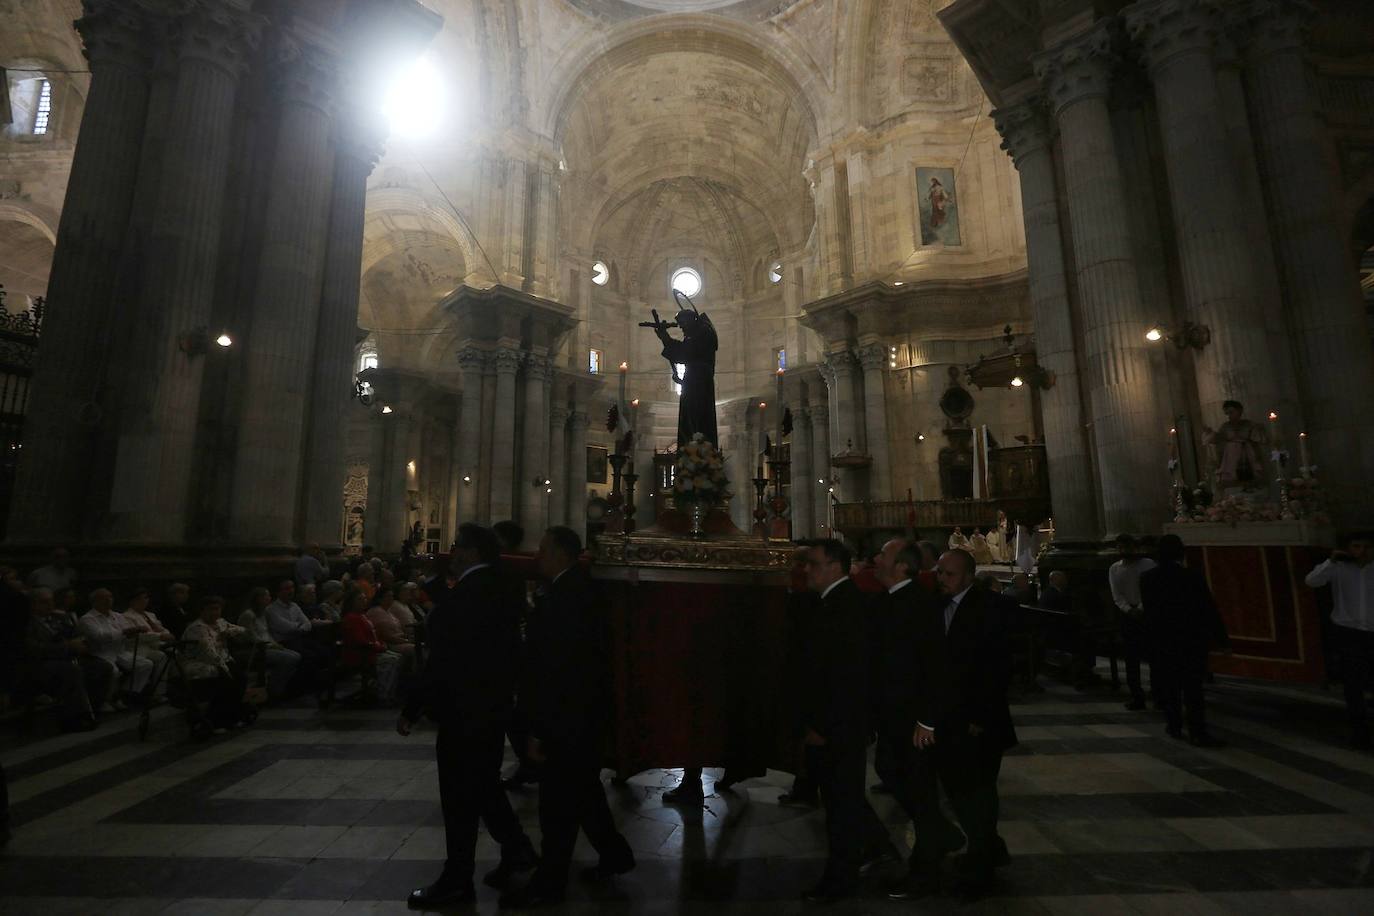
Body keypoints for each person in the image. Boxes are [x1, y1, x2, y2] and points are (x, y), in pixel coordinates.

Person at [399, 524, 537, 908]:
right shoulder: (501, 586)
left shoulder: (468, 596)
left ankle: (457, 879)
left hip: (464, 710)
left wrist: (413, 707)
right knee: (483, 784)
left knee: (459, 797)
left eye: (458, 547)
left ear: (472, 552)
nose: (453, 553)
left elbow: (443, 660)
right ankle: (517, 848)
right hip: (491, 708)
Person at [500, 527, 634, 907]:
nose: (537, 557)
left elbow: (558, 670)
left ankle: (550, 883)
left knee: (556, 808)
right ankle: (614, 854)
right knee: (585, 793)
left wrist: (540, 729)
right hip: (582, 718)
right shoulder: (578, 589)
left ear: (560, 553)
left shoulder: (566, 597)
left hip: (567, 720)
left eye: (542, 550)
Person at [901, 549, 1016, 899]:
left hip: (980, 724)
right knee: (964, 793)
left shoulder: (991, 608)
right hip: (951, 723)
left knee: (977, 796)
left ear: (968, 576)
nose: (942, 580)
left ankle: (981, 873)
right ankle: (989, 851)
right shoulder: (938, 605)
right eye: (939, 573)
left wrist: (978, 718)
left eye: (949, 574)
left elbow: (994, 670)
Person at [795, 538, 889, 902]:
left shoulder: (845, 606)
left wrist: (821, 727)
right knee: (840, 802)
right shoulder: (834, 601)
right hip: (837, 726)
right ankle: (866, 854)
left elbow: (845, 677)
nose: (807, 570)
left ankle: (840, 881)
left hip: (838, 728)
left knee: (841, 807)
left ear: (835, 566)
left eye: (813, 563)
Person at [872, 539, 964, 891]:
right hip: (893, 715)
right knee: (890, 770)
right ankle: (941, 833)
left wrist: (927, 720)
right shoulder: (888, 601)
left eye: (883, 555)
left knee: (920, 789)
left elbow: (936, 667)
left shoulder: (920, 605)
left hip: (915, 721)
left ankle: (926, 869)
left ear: (902, 566)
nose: (876, 559)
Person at [1140, 534, 1228, 747]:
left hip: (1163, 639)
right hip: (1190, 638)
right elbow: (1208, 608)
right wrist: (1221, 639)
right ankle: (1197, 731)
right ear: (1181, 552)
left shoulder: (1148, 578)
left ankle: (1174, 724)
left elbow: (1149, 612)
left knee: (1169, 685)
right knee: (1193, 688)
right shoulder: (1192, 576)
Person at [1305, 533, 1374, 747]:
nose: (1361, 551)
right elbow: (1312, 581)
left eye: (1367, 547)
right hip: (1348, 632)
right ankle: (1358, 731)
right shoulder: (1338, 567)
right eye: (1356, 546)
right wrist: (1330, 562)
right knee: (1352, 685)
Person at [24, 587, 106, 731]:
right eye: (44, 602)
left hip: (66, 658)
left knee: (101, 666)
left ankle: (93, 709)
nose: (50, 605)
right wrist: (67, 646)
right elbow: (35, 649)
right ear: (33, 604)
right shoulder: (28, 624)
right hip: (42, 663)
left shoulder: (59, 619)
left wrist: (81, 642)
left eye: (51, 601)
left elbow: (74, 635)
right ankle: (73, 718)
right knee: (71, 671)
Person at [182, 596, 251, 731]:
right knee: (226, 682)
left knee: (241, 678)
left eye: (218, 609)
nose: (215, 612)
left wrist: (229, 632)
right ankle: (217, 720)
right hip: (203, 662)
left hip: (223, 659)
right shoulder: (197, 628)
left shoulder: (220, 622)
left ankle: (233, 715)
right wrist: (224, 668)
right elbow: (208, 651)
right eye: (211, 609)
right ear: (202, 611)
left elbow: (242, 629)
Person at [79, 589, 155, 708]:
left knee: (145, 665)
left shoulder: (117, 616)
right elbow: (99, 636)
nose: (108, 600)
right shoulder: (87, 619)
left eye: (110, 597)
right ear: (95, 601)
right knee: (112, 671)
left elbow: (127, 633)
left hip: (120, 651)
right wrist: (124, 632)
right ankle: (106, 700)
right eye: (104, 598)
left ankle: (127, 693)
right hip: (100, 653)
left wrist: (134, 632)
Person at [1110, 534, 1158, 712]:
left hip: (1147, 613)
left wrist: (1141, 607)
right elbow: (1117, 595)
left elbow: (1152, 590)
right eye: (1120, 548)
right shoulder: (1115, 568)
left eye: (1127, 547)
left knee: (1154, 656)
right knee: (1131, 658)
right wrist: (1129, 610)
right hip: (1128, 615)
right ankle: (1136, 695)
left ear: (1134, 547)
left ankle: (1157, 692)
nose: (1123, 551)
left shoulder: (1148, 565)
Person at [238, 587, 302, 699]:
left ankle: (279, 687)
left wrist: (275, 644)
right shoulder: (249, 615)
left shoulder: (262, 613)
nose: (269, 598)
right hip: (253, 649)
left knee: (296, 656)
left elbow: (266, 633)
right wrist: (271, 645)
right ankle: (273, 690)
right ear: (258, 599)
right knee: (289, 659)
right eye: (266, 596)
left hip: (266, 646)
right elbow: (251, 637)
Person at [341, 589, 400, 701]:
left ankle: (386, 690)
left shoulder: (362, 615)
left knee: (398, 657)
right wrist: (380, 647)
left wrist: (381, 643)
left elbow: (373, 635)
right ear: (351, 602)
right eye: (360, 599)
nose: (364, 601)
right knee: (392, 660)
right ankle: (384, 695)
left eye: (365, 598)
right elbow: (360, 641)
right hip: (359, 653)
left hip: (369, 650)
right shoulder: (351, 618)